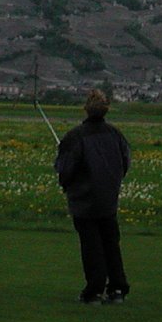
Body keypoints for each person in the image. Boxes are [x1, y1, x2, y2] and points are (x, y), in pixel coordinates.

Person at [54, 87, 131, 304]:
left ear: (86, 109)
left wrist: (66, 182)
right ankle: (117, 288)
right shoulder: (115, 134)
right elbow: (125, 162)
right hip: (108, 197)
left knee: (91, 246)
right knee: (111, 243)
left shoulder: (75, 136)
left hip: (84, 199)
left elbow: (65, 169)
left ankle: (94, 291)